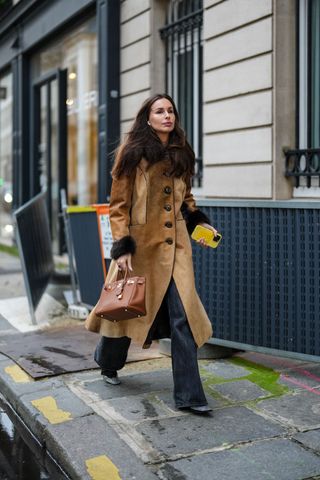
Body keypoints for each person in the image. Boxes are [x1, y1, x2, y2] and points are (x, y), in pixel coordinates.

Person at [85, 93, 219, 414]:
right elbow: (118, 207)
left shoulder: (183, 154)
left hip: (177, 251)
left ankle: (190, 397)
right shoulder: (131, 155)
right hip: (141, 249)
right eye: (160, 111)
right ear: (148, 118)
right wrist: (122, 248)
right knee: (126, 310)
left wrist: (202, 225)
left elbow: (187, 201)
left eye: (171, 110)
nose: (167, 115)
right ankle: (107, 360)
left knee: (182, 317)